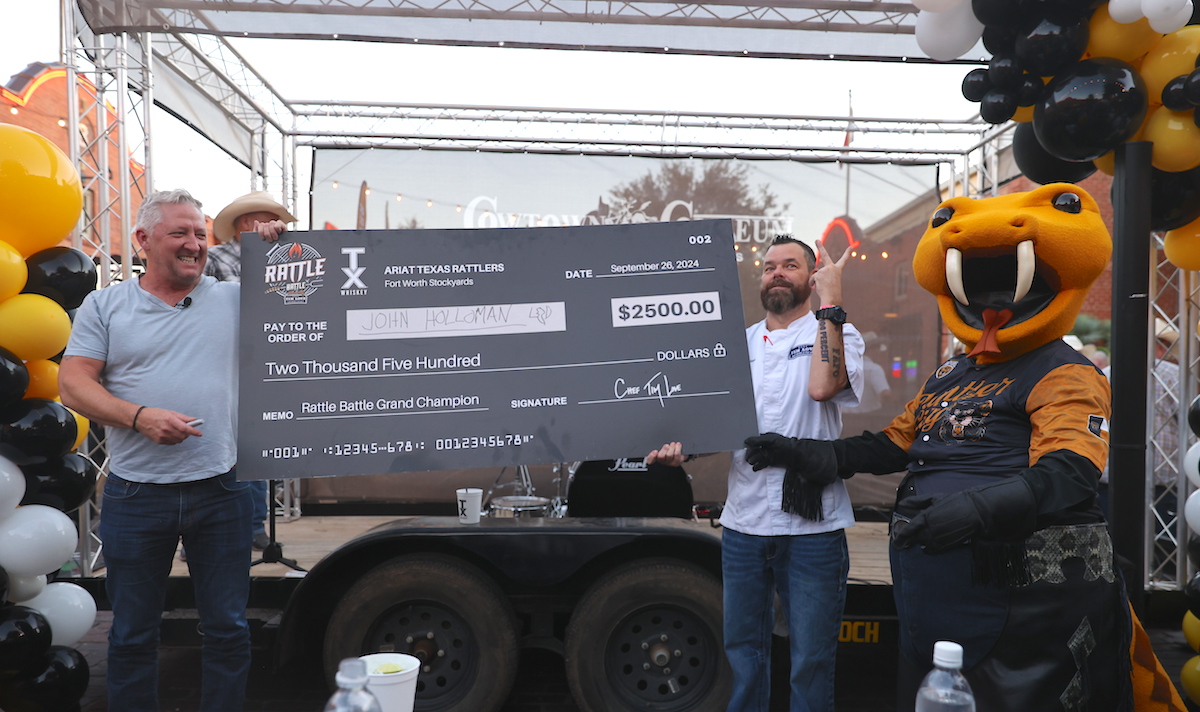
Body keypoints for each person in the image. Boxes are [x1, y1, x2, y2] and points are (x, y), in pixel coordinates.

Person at [59, 189, 283, 712]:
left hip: (224, 492)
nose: (194, 244)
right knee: (133, 634)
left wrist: (277, 250)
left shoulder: (233, 299)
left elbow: (311, 294)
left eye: (201, 234)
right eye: (179, 233)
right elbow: (74, 385)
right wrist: (138, 417)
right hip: (136, 498)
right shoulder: (106, 304)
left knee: (227, 629)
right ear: (142, 240)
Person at [650, 234, 865, 712]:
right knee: (744, 656)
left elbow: (823, 387)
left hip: (815, 528)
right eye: (769, 267)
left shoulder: (838, 332)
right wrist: (680, 453)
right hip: (745, 526)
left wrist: (832, 302)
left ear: (811, 277)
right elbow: (715, 427)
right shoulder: (738, 345)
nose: (777, 274)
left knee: (811, 661)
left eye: (790, 265)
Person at [210, 191, 298, 550]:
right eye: (266, 218)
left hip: (262, 363)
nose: (273, 226)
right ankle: (210, 531)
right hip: (221, 364)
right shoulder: (213, 258)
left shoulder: (282, 254)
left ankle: (255, 527)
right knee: (221, 450)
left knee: (257, 448)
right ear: (245, 223)